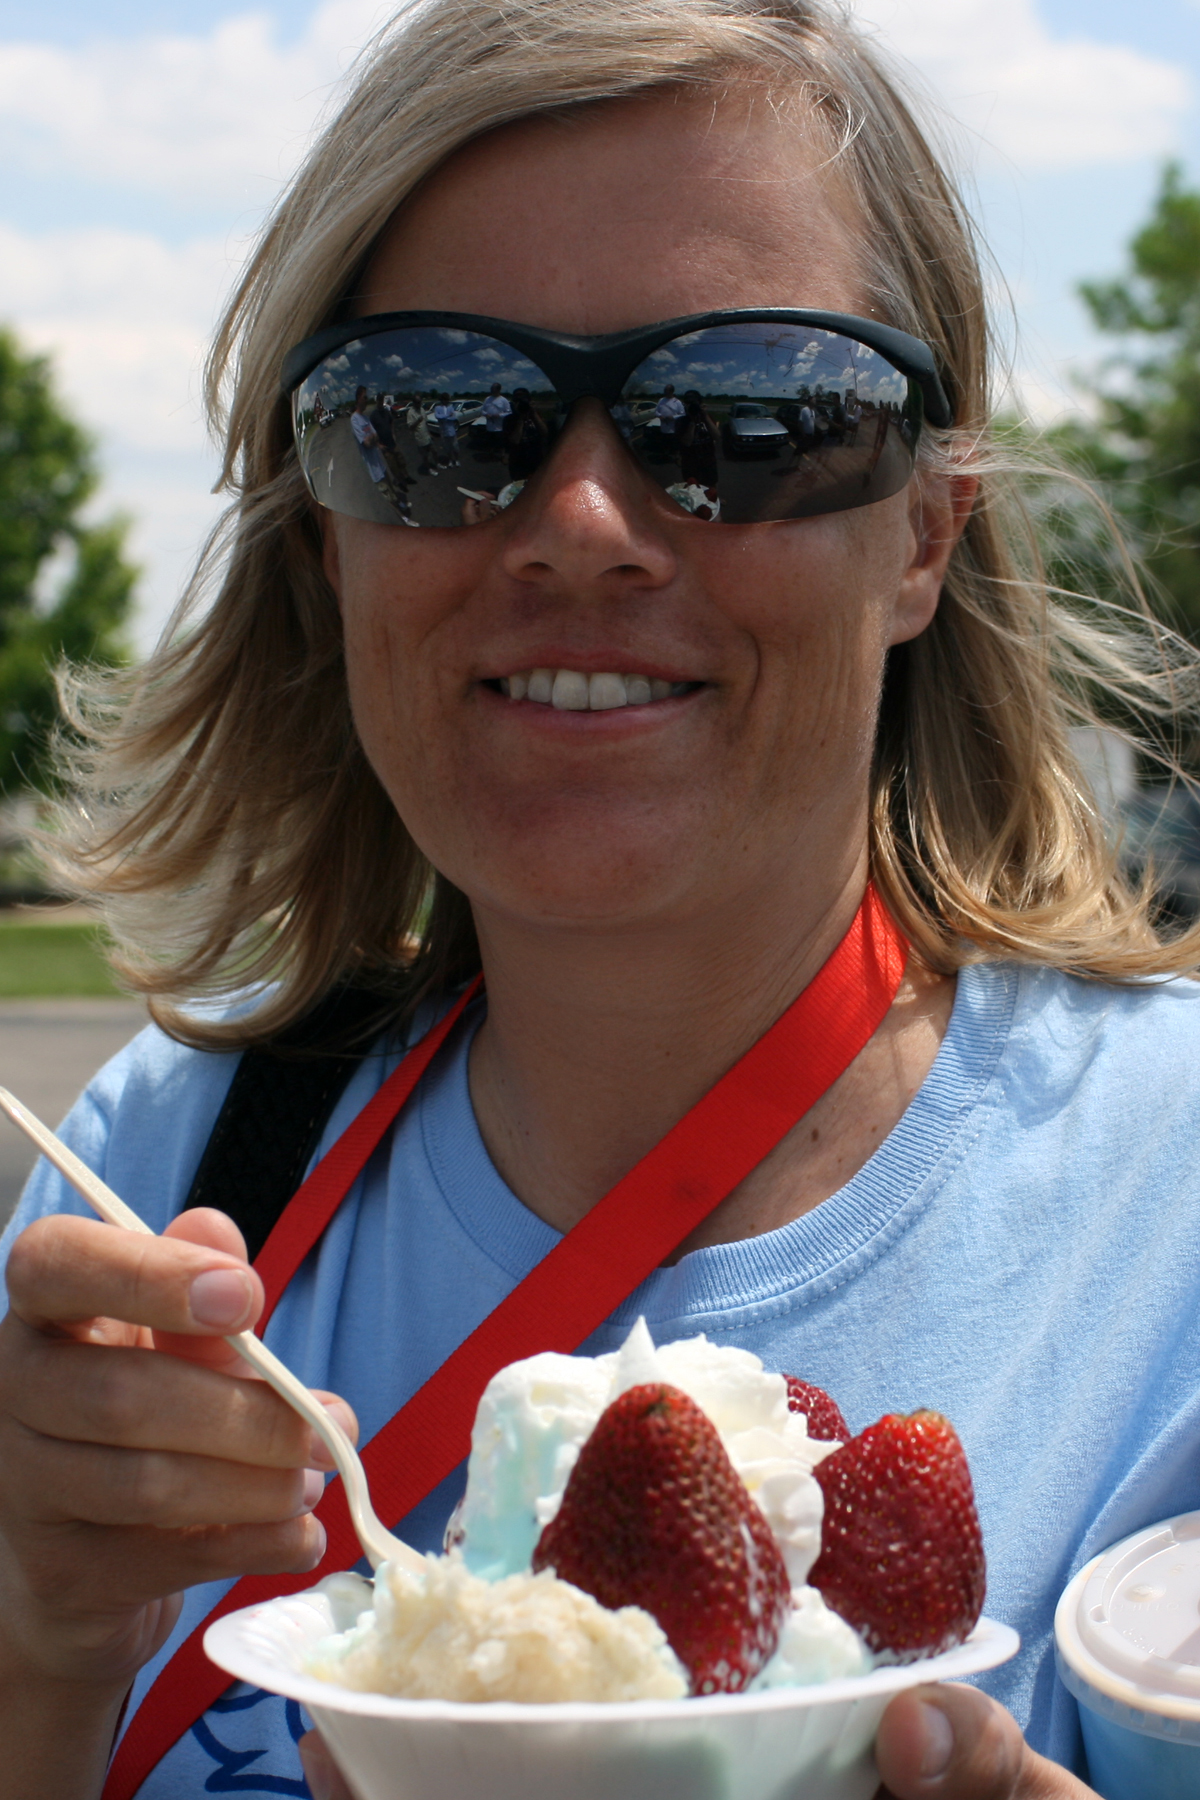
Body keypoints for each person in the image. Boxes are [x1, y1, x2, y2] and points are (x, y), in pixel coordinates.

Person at [1, 2, 1199, 1797]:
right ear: (328, 535)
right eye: (435, 413)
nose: (578, 520)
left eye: (747, 411)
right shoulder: (167, 1180)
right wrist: (38, 1643)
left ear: (925, 536)